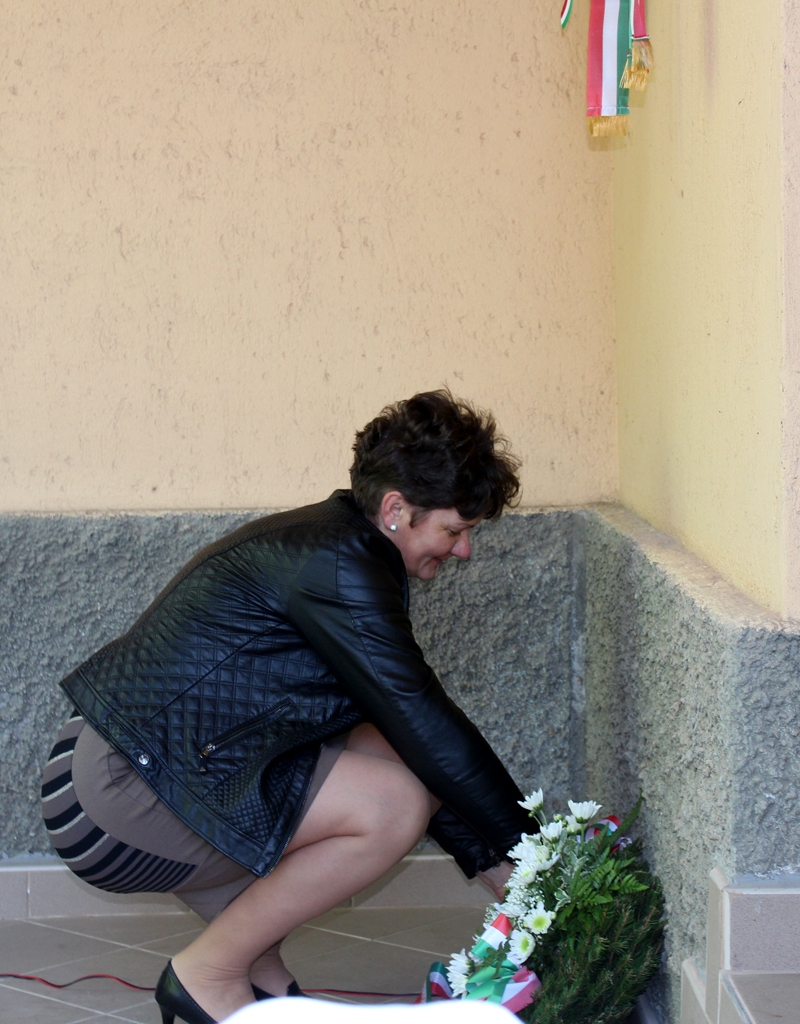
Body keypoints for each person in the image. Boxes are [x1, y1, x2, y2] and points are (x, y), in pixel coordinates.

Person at [41, 390, 532, 1024]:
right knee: (392, 807)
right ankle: (206, 976)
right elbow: (422, 716)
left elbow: (409, 735)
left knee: (390, 749)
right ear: (395, 510)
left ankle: (264, 991)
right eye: (455, 530)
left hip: (129, 771)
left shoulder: (335, 548)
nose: (463, 550)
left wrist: (499, 865)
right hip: (115, 795)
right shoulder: (340, 565)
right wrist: (537, 859)